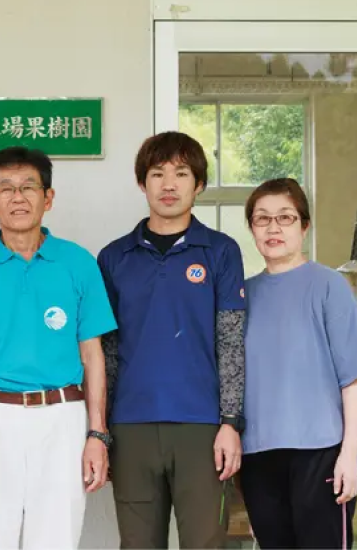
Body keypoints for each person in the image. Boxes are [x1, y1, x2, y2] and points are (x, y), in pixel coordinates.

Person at [0, 146, 117, 550]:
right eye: (6, 188)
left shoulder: (78, 263)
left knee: (56, 540)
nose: (18, 197)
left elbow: (93, 356)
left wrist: (96, 434)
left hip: (63, 417)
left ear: (48, 198)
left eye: (29, 187)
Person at [98, 131, 246, 549]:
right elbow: (106, 351)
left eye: (181, 173)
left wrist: (231, 422)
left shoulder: (220, 251)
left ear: (198, 184)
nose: (168, 184)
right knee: (138, 544)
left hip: (202, 426)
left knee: (206, 542)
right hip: (131, 425)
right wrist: (102, 429)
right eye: (157, 173)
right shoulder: (113, 258)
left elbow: (231, 341)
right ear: (141, 182)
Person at [240, 178, 357, 549]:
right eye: (262, 218)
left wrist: (352, 455)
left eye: (285, 217)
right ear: (252, 228)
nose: (273, 227)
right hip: (257, 454)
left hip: (322, 452)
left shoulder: (330, 286)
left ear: (304, 226)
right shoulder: (242, 294)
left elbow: (352, 380)